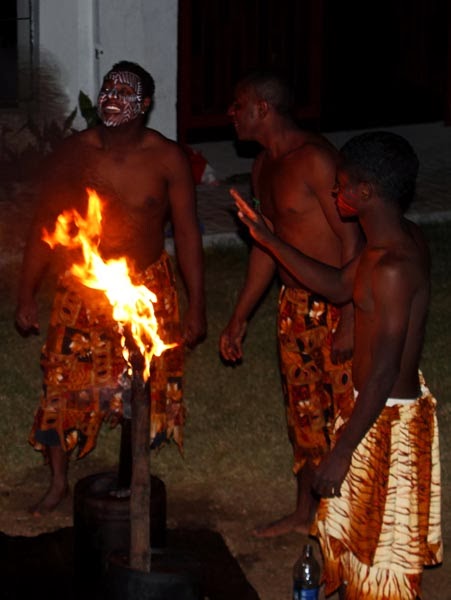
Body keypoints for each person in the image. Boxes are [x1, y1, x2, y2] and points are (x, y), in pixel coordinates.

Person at [233, 130, 442, 599]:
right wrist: (268, 238)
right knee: (349, 541)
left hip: (387, 422)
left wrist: (342, 450)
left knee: (379, 560)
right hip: (369, 410)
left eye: (341, 185)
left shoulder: (393, 265)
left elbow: (385, 371)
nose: (334, 192)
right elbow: (335, 285)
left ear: (364, 193)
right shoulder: (385, 241)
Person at [15, 60, 206, 515]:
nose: (112, 97)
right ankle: (58, 480)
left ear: (145, 104)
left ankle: (132, 472)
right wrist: (26, 293)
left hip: (147, 285)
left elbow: (187, 234)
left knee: (141, 385)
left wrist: (197, 303)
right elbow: (46, 224)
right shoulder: (74, 154)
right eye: (107, 87)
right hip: (85, 285)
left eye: (125, 90)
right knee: (61, 377)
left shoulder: (167, 158)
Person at [219, 72, 362, 537]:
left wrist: (353, 319)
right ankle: (305, 513)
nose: (231, 113)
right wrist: (240, 317)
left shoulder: (318, 161)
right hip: (292, 305)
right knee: (303, 413)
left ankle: (350, 520)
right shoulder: (263, 166)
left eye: (239, 105)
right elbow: (267, 246)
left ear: (264, 108)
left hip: (337, 304)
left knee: (344, 415)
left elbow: (354, 240)